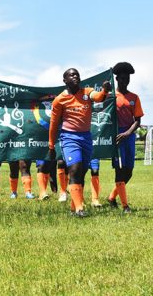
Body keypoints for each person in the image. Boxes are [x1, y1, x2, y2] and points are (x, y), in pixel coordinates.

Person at [48, 68, 111, 217]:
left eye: (77, 74)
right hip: (69, 138)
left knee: (82, 173)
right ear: (65, 80)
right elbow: (53, 124)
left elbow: (99, 97)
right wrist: (51, 145)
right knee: (75, 169)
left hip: (86, 137)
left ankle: (73, 206)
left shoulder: (86, 92)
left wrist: (105, 91)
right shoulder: (59, 99)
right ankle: (79, 209)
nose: (75, 76)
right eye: (71, 75)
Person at [107, 62, 144, 213]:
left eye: (126, 78)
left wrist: (128, 133)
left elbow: (138, 120)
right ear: (116, 79)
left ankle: (111, 197)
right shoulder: (111, 98)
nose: (124, 81)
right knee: (119, 170)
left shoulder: (134, 97)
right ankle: (125, 206)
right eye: (121, 78)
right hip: (117, 136)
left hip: (129, 135)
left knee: (128, 171)